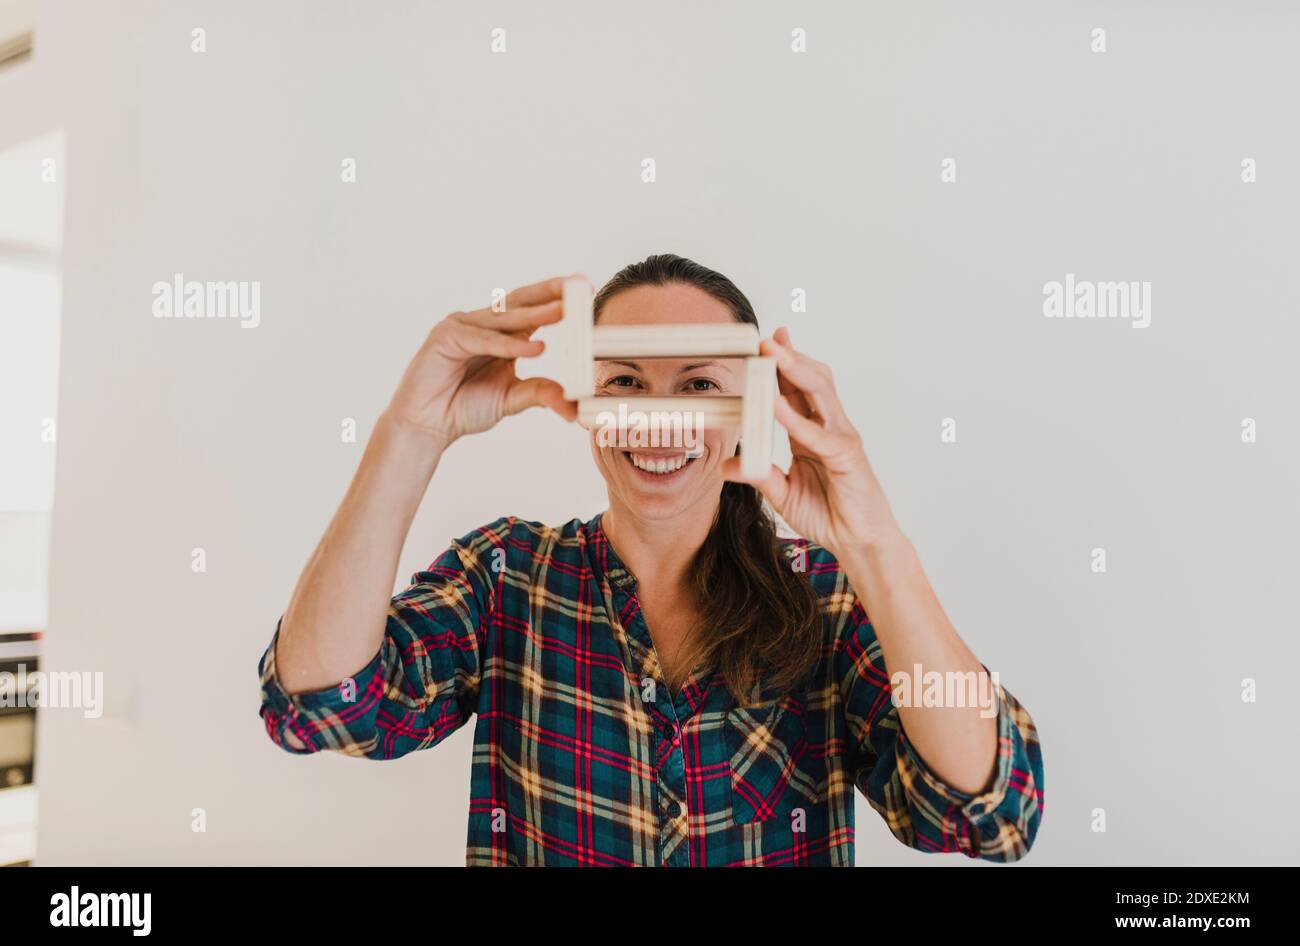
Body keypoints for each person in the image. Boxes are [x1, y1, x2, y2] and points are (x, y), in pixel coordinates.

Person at [257, 253, 1044, 866]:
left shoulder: (826, 598)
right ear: (587, 405)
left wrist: (874, 543)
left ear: (749, 410)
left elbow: (991, 813)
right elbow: (321, 704)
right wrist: (412, 431)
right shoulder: (508, 577)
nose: (658, 420)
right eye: (626, 381)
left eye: (698, 384)